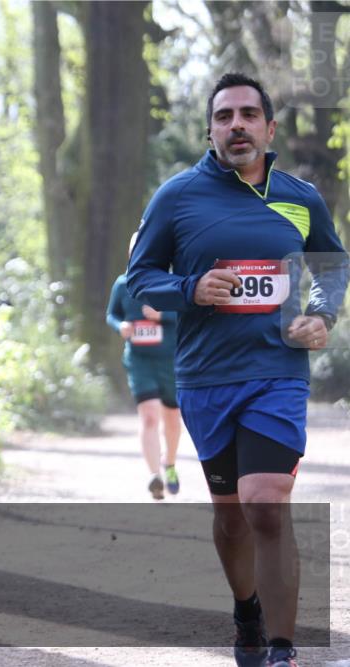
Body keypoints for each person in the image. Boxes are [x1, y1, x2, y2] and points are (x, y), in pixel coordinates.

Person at [127, 72, 348, 667]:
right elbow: (138, 280)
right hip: (205, 377)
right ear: (211, 130)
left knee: (265, 501)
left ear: (269, 128)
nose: (237, 125)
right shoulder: (176, 197)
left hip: (278, 371)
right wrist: (191, 288)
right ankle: (245, 611)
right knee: (231, 518)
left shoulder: (300, 197)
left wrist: (322, 314)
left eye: (249, 114)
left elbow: (330, 263)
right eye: (225, 116)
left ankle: (281, 647)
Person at [106, 233, 181, 500]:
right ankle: (154, 476)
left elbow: (188, 311)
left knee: (172, 419)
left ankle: (169, 463)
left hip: (170, 359)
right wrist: (121, 327)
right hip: (139, 360)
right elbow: (111, 314)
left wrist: (165, 314)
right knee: (149, 416)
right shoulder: (122, 284)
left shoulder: (169, 283)